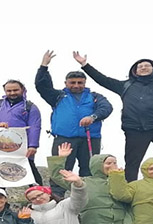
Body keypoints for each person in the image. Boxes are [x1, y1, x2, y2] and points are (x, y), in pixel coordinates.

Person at [35, 51, 113, 194]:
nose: (76, 85)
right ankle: (57, 199)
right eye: (73, 83)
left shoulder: (95, 96)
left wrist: (93, 117)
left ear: (85, 83)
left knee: (89, 171)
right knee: (60, 170)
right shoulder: (58, 96)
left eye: (80, 83)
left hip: (90, 138)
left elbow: (107, 108)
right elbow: (42, 86)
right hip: (64, 139)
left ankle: (89, 199)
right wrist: (44, 66)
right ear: (66, 83)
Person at [50, 148, 133, 224]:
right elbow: (57, 176)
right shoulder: (84, 181)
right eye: (108, 163)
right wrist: (60, 158)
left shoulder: (122, 181)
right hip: (95, 223)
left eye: (115, 163)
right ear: (97, 165)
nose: (112, 165)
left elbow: (129, 200)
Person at [0, 79, 43, 184]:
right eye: (9, 91)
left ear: (22, 90)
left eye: (15, 90)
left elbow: (35, 127)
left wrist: (33, 146)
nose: (12, 93)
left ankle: (41, 194)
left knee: (29, 169)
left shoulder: (30, 107)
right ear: (5, 91)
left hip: (21, 146)